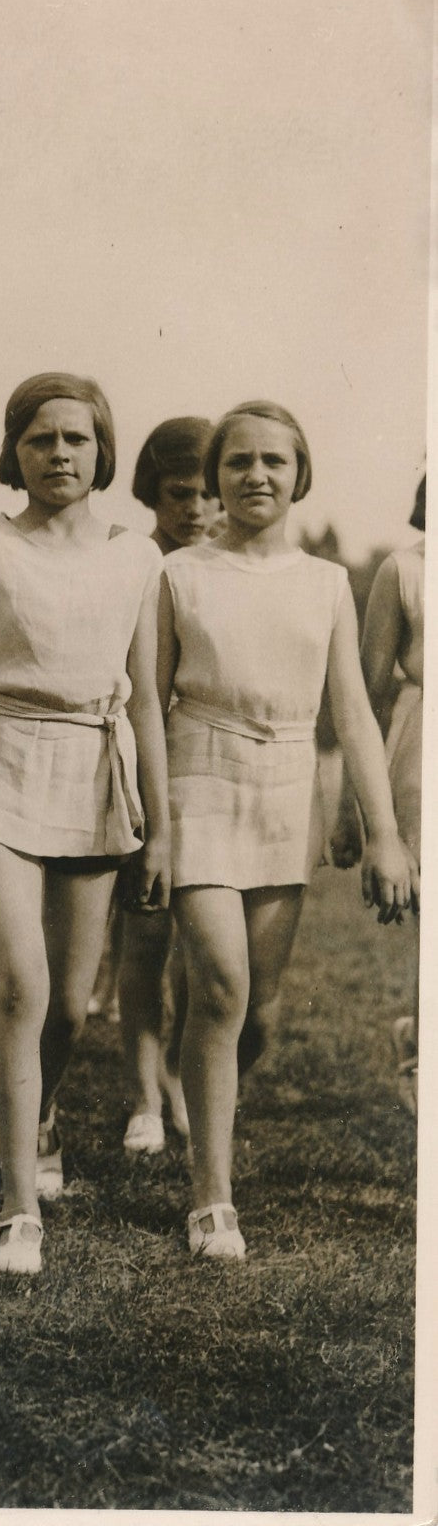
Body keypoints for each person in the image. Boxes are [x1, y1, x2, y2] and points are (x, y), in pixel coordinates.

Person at [0, 374, 169, 1274]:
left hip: (97, 771)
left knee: (66, 1001)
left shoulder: (138, 557)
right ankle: (17, 1209)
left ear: (102, 451)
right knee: (17, 988)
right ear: (12, 452)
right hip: (1, 764)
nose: (59, 454)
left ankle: (43, 1108)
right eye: (40, 439)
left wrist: (160, 827)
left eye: (78, 439)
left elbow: (144, 706)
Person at [159, 402, 417, 1261]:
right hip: (194, 773)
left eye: (274, 461)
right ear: (214, 476)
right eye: (238, 461)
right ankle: (211, 1201)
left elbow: (351, 708)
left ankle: (189, 1069)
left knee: (253, 1012)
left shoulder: (323, 583)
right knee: (223, 986)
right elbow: (146, 697)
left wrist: (382, 834)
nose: (255, 476)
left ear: (299, 474)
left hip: (282, 790)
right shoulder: (179, 575)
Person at [116, 416, 220, 1153]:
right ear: (151, 493)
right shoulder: (128, 559)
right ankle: (141, 1094)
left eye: (207, 495)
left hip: (206, 765)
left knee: (205, 948)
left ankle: (181, 1074)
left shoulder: (226, 566)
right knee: (145, 934)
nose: (195, 510)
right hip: (132, 754)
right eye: (178, 493)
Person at [331, 473, 425, 1113]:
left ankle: (417, 1033)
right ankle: (422, 1054)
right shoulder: (406, 569)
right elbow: (360, 699)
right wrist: (349, 810)